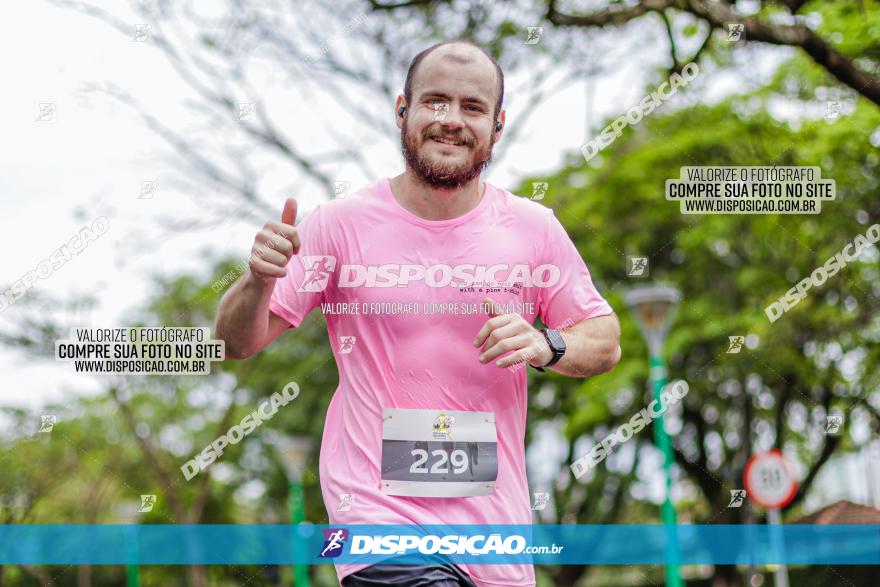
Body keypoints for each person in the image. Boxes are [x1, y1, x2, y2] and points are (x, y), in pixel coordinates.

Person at [215, 39, 621, 587]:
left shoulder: (533, 229)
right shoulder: (337, 225)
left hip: (494, 533)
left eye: (472, 107)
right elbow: (237, 341)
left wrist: (547, 344)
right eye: (435, 101)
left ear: (496, 126)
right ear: (402, 110)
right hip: (377, 520)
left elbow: (605, 340)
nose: (451, 120)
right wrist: (258, 280)